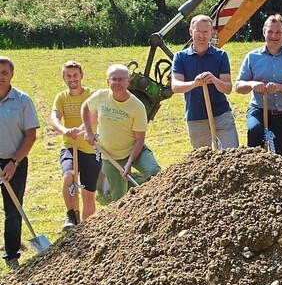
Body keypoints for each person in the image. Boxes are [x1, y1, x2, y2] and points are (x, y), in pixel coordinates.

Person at [82, 64, 161, 202]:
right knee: (119, 200)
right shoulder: (101, 96)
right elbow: (85, 107)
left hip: (135, 152)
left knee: (155, 173)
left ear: (128, 82)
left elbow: (139, 139)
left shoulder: (137, 106)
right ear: (108, 81)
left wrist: (129, 163)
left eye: (121, 79)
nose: (117, 82)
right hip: (110, 155)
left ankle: (157, 203)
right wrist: (88, 131)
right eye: (114, 79)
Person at [235, 14, 282, 155]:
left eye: (278, 33)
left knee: (279, 157)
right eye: (270, 32)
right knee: (254, 132)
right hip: (258, 110)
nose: (274, 36)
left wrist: (280, 87)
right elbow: (238, 86)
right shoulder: (252, 57)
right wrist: (251, 84)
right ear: (264, 32)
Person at [171, 14, 239, 149]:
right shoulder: (180, 57)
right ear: (191, 32)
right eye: (198, 31)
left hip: (221, 116)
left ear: (211, 33)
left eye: (206, 32)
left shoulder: (220, 56)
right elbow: (176, 86)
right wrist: (195, 83)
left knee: (231, 155)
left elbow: (227, 88)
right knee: (203, 162)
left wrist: (214, 80)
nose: (202, 36)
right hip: (196, 118)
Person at [50, 60, 100, 231]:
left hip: (91, 148)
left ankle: (89, 228)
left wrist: (80, 130)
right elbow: (54, 119)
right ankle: (71, 215)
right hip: (70, 147)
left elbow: (94, 116)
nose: (72, 79)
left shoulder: (91, 95)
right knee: (69, 175)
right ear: (63, 77)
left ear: (81, 76)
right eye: (68, 76)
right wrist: (65, 131)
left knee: (88, 195)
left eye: (75, 75)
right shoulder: (61, 97)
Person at [0, 56, 39, 271]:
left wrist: (14, 161)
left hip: (14, 162)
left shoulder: (23, 100)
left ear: (12, 75)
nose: (0, 77)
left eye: (4, 73)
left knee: (13, 210)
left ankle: (11, 255)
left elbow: (30, 136)